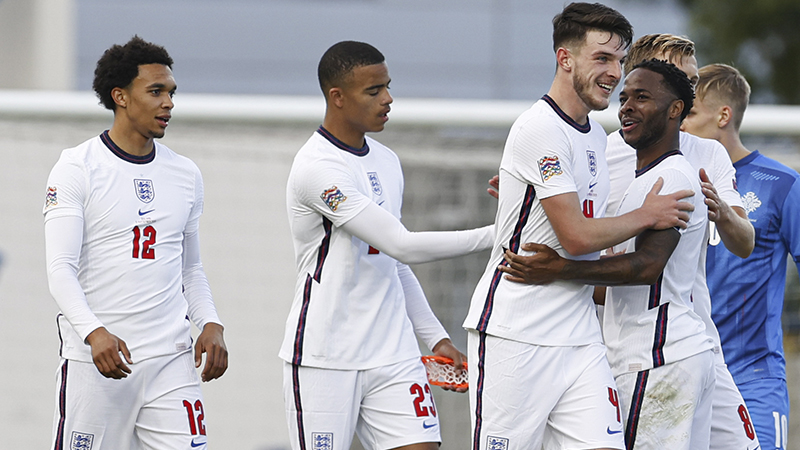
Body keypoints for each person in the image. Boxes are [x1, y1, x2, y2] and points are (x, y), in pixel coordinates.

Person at [462, 5, 696, 449]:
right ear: (565, 58)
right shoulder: (539, 128)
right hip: (517, 333)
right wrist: (648, 215)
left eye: (620, 60)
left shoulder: (594, 135)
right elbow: (575, 235)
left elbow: (582, 223)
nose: (615, 73)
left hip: (581, 334)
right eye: (602, 58)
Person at [281, 40, 495, 450]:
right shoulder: (317, 168)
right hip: (327, 357)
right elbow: (402, 245)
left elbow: (393, 263)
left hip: (394, 355)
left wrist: (435, 338)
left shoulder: (387, 161)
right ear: (337, 97)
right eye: (374, 90)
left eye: (388, 87)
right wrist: (498, 234)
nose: (388, 99)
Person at [501, 59, 715, 449]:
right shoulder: (645, 180)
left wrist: (559, 269)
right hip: (669, 358)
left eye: (642, 97)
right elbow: (616, 287)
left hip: (657, 357)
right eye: (625, 98)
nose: (627, 107)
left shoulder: (671, 178)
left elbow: (647, 268)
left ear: (675, 110)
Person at [44, 36, 228, 449]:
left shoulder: (185, 174)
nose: (169, 103)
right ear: (121, 96)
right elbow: (60, 270)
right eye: (156, 91)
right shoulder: (77, 167)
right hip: (99, 363)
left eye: (172, 93)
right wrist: (94, 333)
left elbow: (190, 268)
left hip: (171, 361)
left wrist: (210, 323)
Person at [599, 34, 759, 450]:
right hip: (627, 347)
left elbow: (745, 242)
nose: (691, 92)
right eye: (681, 80)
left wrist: (723, 211)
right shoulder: (602, 154)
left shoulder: (708, 154)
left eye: (693, 81)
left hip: (695, 340)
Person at [682, 63, 800, 450]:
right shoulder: (672, 180)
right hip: (686, 368)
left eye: (690, 113)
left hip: (754, 377)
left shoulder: (782, 184)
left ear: (723, 116)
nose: (681, 124)